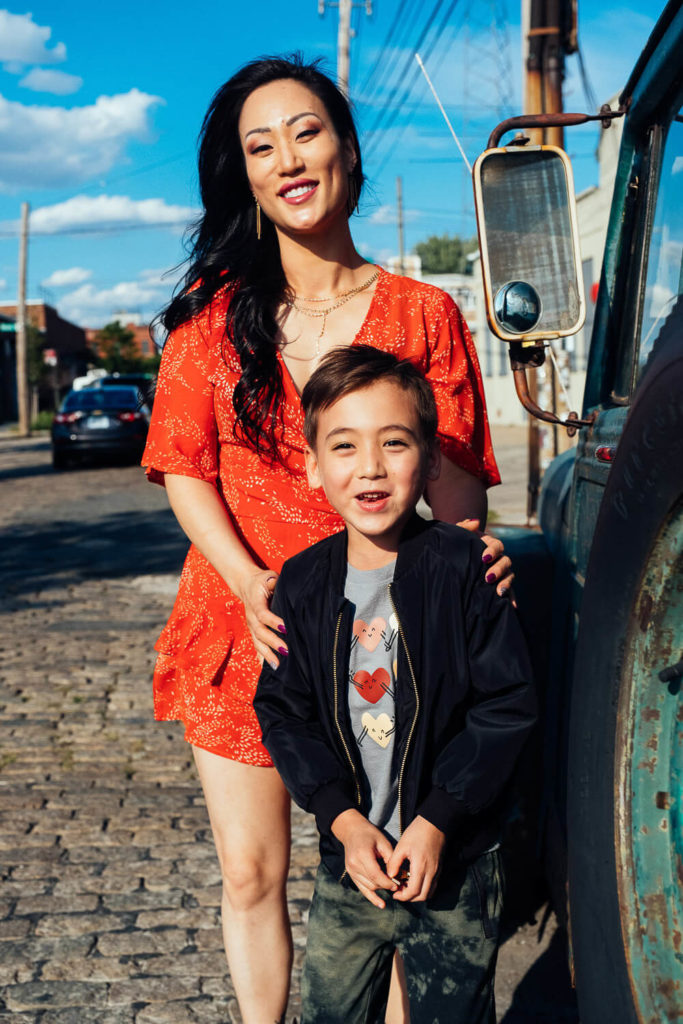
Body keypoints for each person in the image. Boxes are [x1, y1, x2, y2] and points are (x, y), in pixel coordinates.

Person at [142, 53, 513, 1024]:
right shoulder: (210, 324)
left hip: (386, 646)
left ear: (345, 149)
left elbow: (457, 488)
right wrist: (250, 580)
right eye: (259, 147)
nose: (287, 159)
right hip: (244, 627)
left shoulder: (421, 315)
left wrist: (450, 592)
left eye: (305, 132)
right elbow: (185, 466)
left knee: (387, 881)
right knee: (251, 871)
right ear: (246, 178)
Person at [254, 346, 536, 1022]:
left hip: (455, 863)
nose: (371, 467)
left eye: (395, 442)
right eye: (344, 446)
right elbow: (283, 713)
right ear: (313, 467)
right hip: (349, 866)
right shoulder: (299, 584)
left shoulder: (467, 570)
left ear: (430, 460)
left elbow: (505, 707)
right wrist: (341, 820)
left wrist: (438, 821)